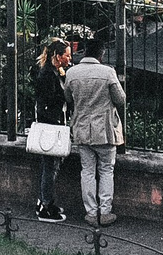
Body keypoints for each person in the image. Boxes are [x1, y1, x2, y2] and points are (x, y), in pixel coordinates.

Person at [64, 34, 128, 227]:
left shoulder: (71, 73)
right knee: (107, 170)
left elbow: (68, 97)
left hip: (82, 129)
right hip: (106, 130)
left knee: (87, 171)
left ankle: (91, 213)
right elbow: (121, 99)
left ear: (84, 52)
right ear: (101, 54)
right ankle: (105, 212)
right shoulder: (108, 72)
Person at [29, 38, 72, 221]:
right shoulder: (48, 74)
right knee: (50, 167)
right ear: (57, 56)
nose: (69, 59)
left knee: (49, 167)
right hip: (50, 126)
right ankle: (46, 206)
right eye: (67, 56)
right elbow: (52, 100)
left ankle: (45, 202)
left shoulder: (52, 71)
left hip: (52, 124)